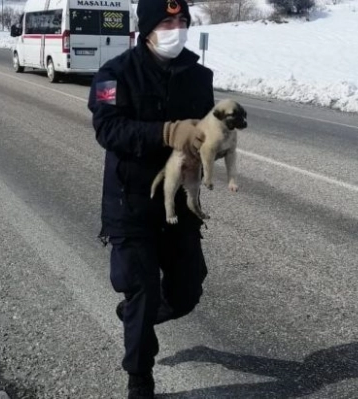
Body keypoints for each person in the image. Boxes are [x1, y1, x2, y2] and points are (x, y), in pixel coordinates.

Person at [87, 0, 215, 397]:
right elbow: (109, 130)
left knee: (186, 292)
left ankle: (134, 316)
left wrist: (213, 143)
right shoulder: (115, 73)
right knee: (142, 290)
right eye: (166, 20)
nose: (175, 28)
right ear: (147, 28)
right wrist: (164, 132)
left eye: (182, 21)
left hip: (177, 204)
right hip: (133, 203)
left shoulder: (198, 75)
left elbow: (205, 127)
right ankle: (139, 378)